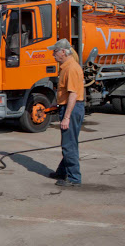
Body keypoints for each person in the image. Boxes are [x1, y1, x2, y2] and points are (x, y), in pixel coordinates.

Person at [47, 39, 85, 187]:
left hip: (73, 109)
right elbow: (65, 93)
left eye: (55, 51)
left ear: (63, 52)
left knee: (69, 145)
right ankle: (62, 172)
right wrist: (57, 105)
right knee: (69, 143)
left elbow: (73, 94)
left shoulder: (71, 69)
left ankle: (74, 179)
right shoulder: (65, 67)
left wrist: (67, 117)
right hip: (69, 106)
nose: (53, 54)